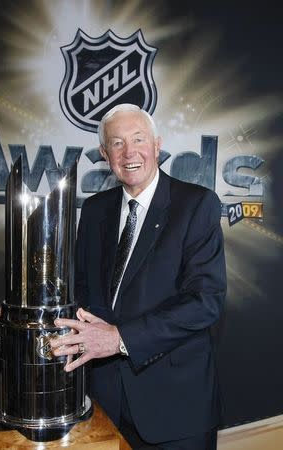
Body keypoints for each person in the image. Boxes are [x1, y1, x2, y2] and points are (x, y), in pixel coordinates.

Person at [50, 103, 226, 449]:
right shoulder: (96, 210)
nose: (129, 153)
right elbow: (80, 293)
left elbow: (205, 302)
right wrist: (35, 316)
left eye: (138, 139)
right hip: (104, 403)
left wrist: (119, 338)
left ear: (157, 145)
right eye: (116, 143)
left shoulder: (197, 205)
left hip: (176, 408)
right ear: (104, 153)